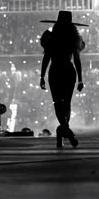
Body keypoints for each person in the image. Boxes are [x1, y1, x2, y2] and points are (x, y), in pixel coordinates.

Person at [39, 10, 88, 148]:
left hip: (56, 71)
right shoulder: (73, 38)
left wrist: (42, 76)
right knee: (65, 103)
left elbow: (46, 58)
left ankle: (64, 130)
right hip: (67, 71)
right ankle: (65, 130)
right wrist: (80, 79)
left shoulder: (52, 38)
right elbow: (77, 60)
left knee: (60, 103)